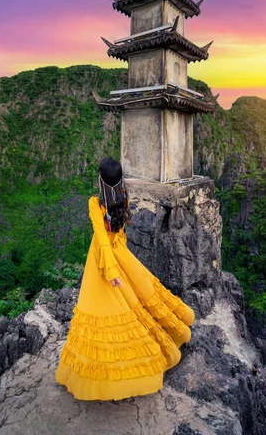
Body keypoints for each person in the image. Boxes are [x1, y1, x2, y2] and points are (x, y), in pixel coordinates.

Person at [55, 156, 195, 401]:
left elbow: (100, 237)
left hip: (104, 258)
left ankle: (105, 377)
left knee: (102, 310)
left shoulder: (95, 203)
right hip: (120, 252)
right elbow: (116, 232)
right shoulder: (123, 199)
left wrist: (110, 271)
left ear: (101, 179)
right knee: (136, 298)